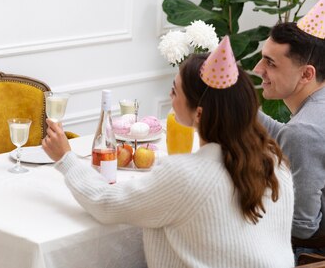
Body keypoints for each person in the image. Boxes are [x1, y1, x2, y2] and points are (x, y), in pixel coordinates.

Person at [42, 37, 294, 268]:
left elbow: (106, 204)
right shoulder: (276, 164)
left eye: (175, 91)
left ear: (199, 114)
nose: (169, 97)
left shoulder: (185, 175)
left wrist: (67, 158)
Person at [253, 0, 325, 257]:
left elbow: (304, 227)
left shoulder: (304, 130)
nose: (257, 69)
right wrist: (243, 110)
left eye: (270, 63)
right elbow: (290, 135)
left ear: (306, 74)